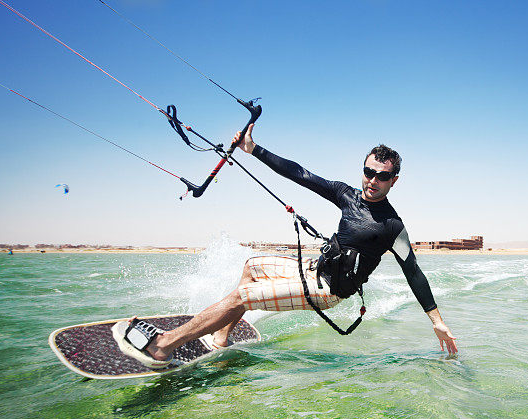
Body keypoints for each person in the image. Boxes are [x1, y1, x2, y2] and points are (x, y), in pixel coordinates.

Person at [113, 125, 458, 367]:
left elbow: (413, 271)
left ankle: (164, 346)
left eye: (382, 176)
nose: (372, 180)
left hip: (329, 290)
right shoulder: (347, 195)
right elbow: (300, 174)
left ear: (393, 180)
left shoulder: (392, 226)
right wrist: (254, 150)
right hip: (313, 269)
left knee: (242, 297)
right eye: (368, 171)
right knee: (251, 267)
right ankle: (220, 339)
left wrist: (436, 321)